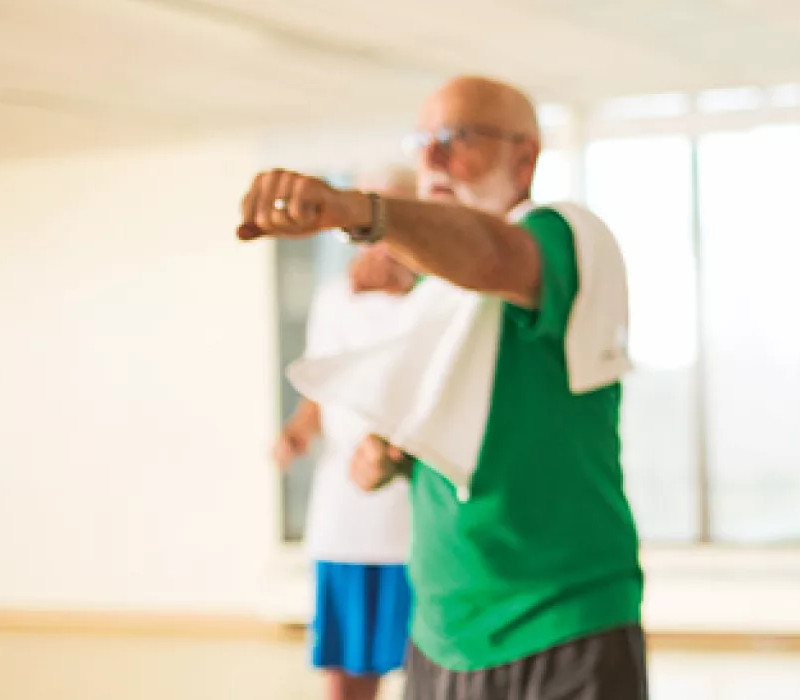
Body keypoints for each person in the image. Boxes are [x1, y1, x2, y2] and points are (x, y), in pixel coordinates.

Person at [238, 76, 645, 700]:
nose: (429, 157)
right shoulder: (430, 295)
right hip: (442, 629)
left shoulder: (565, 237)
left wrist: (361, 211)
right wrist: (391, 457)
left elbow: (490, 256)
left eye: (456, 139)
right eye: (423, 139)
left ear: (525, 157)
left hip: (566, 618)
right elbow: (462, 428)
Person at [272, 168, 424, 700]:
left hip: (415, 506)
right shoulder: (335, 297)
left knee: (428, 666)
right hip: (345, 507)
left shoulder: (437, 296)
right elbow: (322, 385)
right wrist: (296, 432)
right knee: (344, 662)